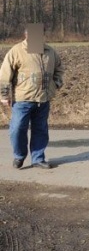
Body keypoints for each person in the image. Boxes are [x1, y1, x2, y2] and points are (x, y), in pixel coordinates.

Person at [0, 25, 64, 169]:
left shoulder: (50, 51)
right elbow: (4, 75)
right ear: (26, 36)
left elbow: (59, 69)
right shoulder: (16, 51)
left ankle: (38, 158)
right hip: (22, 99)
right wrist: (4, 95)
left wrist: (56, 84)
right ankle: (19, 155)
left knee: (40, 130)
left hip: (43, 99)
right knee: (17, 129)